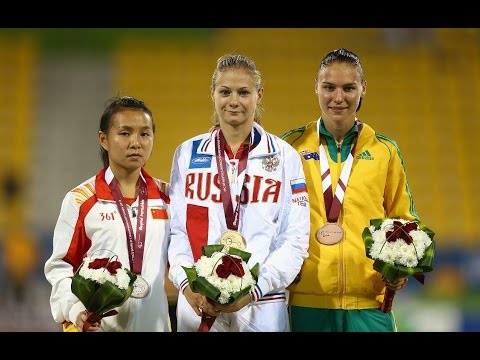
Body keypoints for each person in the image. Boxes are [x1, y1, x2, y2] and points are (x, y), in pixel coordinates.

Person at [167, 54, 310, 332]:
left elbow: (295, 239)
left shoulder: (285, 157)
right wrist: (187, 284)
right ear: (212, 94)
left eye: (244, 92)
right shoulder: (187, 153)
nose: (234, 101)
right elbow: (177, 230)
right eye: (225, 92)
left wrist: (255, 289)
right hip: (199, 304)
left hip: (262, 305)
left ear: (259, 95)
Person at [282, 48, 413, 332]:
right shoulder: (291, 148)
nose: (338, 98)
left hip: (371, 305)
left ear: (363, 88)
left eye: (348, 88)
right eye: (329, 87)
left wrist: (400, 271)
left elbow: (404, 222)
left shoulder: (384, 151)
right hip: (307, 304)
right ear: (316, 87)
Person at [44, 96, 171, 332]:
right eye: (125, 133)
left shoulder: (168, 199)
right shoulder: (81, 200)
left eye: (145, 133)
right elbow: (60, 267)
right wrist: (75, 311)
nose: (136, 142)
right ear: (104, 139)